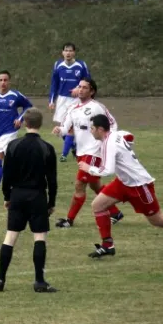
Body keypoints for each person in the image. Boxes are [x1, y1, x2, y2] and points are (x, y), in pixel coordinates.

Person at [80, 114, 163, 258]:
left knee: (158, 220)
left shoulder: (109, 144)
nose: (91, 131)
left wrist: (88, 167)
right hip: (122, 182)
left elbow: (107, 170)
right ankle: (108, 245)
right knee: (98, 205)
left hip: (139, 186)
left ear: (100, 129)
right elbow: (129, 136)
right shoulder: (117, 134)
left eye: (92, 128)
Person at [0, 108, 58, 293]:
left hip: (18, 195)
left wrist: (7, 196)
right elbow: (51, 180)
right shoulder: (47, 148)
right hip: (37, 196)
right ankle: (39, 281)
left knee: (11, 236)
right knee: (39, 237)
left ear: (24, 123)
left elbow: (7, 175)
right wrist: (51, 202)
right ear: (40, 124)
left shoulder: (13, 146)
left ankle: (0, 279)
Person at [52, 77, 124, 228]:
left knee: (79, 184)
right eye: (80, 86)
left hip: (94, 151)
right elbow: (66, 127)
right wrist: (59, 130)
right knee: (95, 185)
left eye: (85, 87)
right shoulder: (72, 108)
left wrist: (108, 142)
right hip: (81, 151)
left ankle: (69, 220)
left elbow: (112, 124)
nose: (81, 89)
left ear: (92, 91)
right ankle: (116, 212)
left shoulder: (97, 107)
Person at [0, 70, 33, 203]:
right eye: (1, 80)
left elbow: (28, 106)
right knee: (11, 162)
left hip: (10, 132)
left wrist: (20, 118)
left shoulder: (15, 95)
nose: (3, 83)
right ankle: (18, 188)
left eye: (5, 80)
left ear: (9, 81)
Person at [48, 42, 90, 162]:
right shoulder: (58, 65)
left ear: (74, 52)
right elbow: (54, 84)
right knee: (62, 128)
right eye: (66, 50)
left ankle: (71, 151)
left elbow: (88, 80)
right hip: (62, 99)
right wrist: (51, 100)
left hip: (77, 100)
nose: (68, 53)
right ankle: (75, 147)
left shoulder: (81, 65)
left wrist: (79, 88)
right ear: (62, 52)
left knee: (72, 126)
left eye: (70, 51)